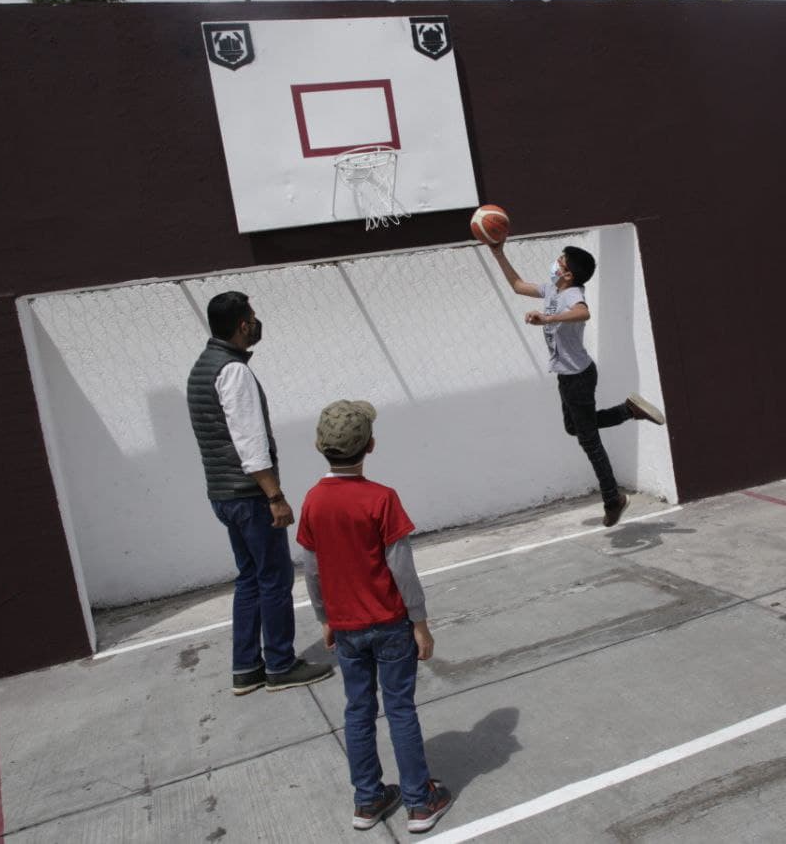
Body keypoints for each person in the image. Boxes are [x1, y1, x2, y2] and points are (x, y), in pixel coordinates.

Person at [297, 400, 453, 834]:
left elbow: (312, 569)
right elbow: (401, 568)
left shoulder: (312, 501)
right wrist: (419, 621)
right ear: (371, 445)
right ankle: (420, 803)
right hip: (389, 625)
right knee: (400, 707)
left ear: (317, 445)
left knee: (358, 709)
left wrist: (325, 617)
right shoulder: (381, 499)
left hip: (346, 628)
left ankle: (368, 800)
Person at [186, 291, 333, 696]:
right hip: (250, 497)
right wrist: (275, 496)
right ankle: (281, 665)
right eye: (252, 316)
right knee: (274, 577)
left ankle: (246, 668)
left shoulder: (202, 368)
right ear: (241, 325)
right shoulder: (233, 372)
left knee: (250, 578)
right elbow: (249, 442)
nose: (256, 322)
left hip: (223, 494)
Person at [487, 243, 666, 526]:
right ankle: (628, 410)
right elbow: (518, 285)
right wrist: (497, 251)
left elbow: (583, 313)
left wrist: (547, 318)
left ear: (568, 274)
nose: (554, 264)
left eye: (559, 261)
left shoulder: (572, 293)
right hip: (570, 376)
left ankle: (613, 499)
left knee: (589, 440)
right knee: (574, 427)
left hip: (578, 378)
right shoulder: (551, 289)